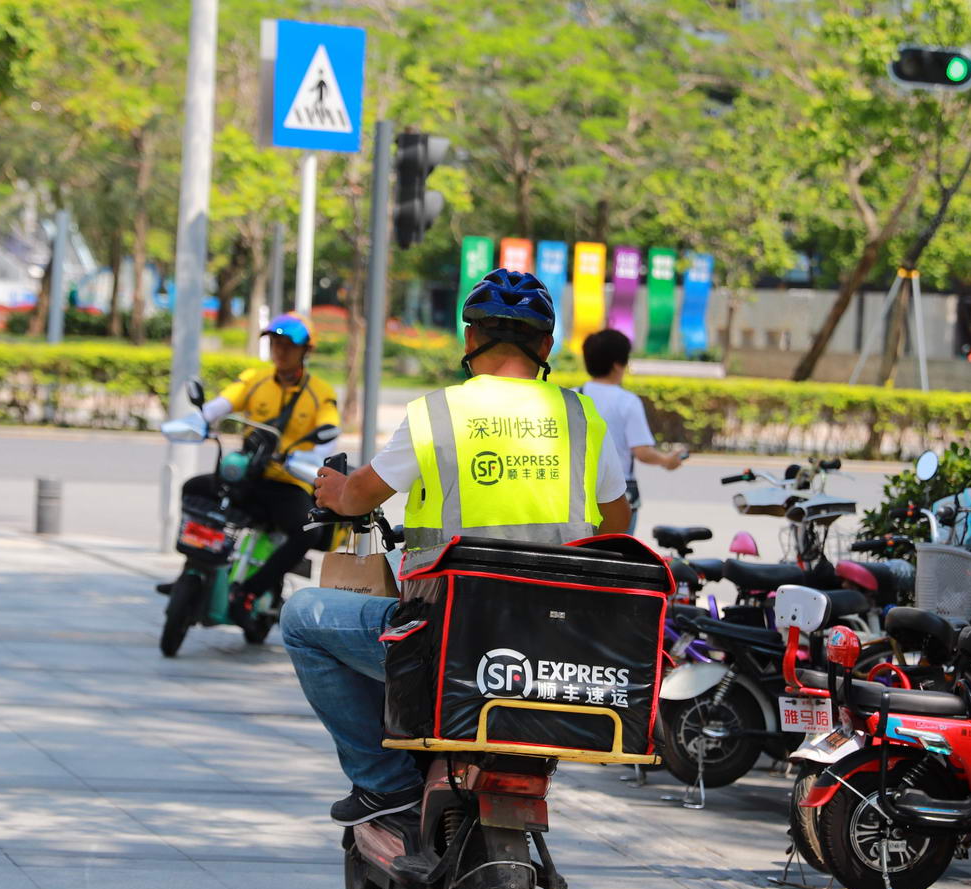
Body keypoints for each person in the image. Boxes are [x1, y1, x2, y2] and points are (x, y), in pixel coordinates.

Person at [279, 270, 630, 831]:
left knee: (300, 618)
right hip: (557, 646)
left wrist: (333, 489)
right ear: (545, 346)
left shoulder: (437, 414)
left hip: (446, 644)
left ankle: (384, 782)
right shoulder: (581, 418)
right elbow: (618, 525)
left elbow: (356, 494)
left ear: (469, 341)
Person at [176, 314, 341, 623]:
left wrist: (310, 457)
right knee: (193, 489)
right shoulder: (254, 378)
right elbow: (219, 405)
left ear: (307, 350)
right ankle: (194, 567)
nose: (280, 350)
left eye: (288, 345)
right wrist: (197, 422)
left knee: (307, 531)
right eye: (275, 343)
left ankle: (251, 591)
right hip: (248, 477)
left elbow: (329, 432)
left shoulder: (321, 391)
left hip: (288, 482)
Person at [580, 328, 685, 518]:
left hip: (578, 490)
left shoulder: (573, 395)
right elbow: (642, 452)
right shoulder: (627, 401)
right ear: (618, 365)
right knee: (617, 547)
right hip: (618, 493)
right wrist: (667, 460)